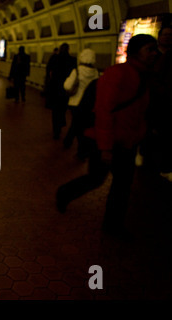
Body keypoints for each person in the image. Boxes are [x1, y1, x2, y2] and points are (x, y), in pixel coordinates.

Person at [56, 34, 158, 237]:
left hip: (128, 142)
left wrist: (140, 135)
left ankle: (113, 224)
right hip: (106, 141)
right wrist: (105, 147)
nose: (154, 54)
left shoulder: (145, 77)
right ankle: (64, 193)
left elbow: (140, 112)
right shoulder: (117, 74)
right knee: (96, 179)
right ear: (136, 51)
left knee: (123, 184)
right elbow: (103, 111)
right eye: (149, 49)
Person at [63, 48, 100, 159]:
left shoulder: (77, 71)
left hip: (75, 102)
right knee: (80, 124)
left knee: (77, 125)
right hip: (88, 104)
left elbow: (68, 86)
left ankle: (78, 148)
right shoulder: (96, 72)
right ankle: (70, 142)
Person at [149, 25, 172, 182]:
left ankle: (162, 166)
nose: (168, 37)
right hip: (154, 98)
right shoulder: (152, 54)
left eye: (171, 35)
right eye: (165, 34)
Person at [46, 43, 77, 139]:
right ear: (68, 49)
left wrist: (50, 79)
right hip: (66, 87)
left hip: (55, 87)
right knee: (63, 108)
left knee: (55, 110)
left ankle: (56, 130)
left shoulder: (54, 58)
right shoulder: (72, 60)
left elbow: (48, 69)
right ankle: (61, 123)